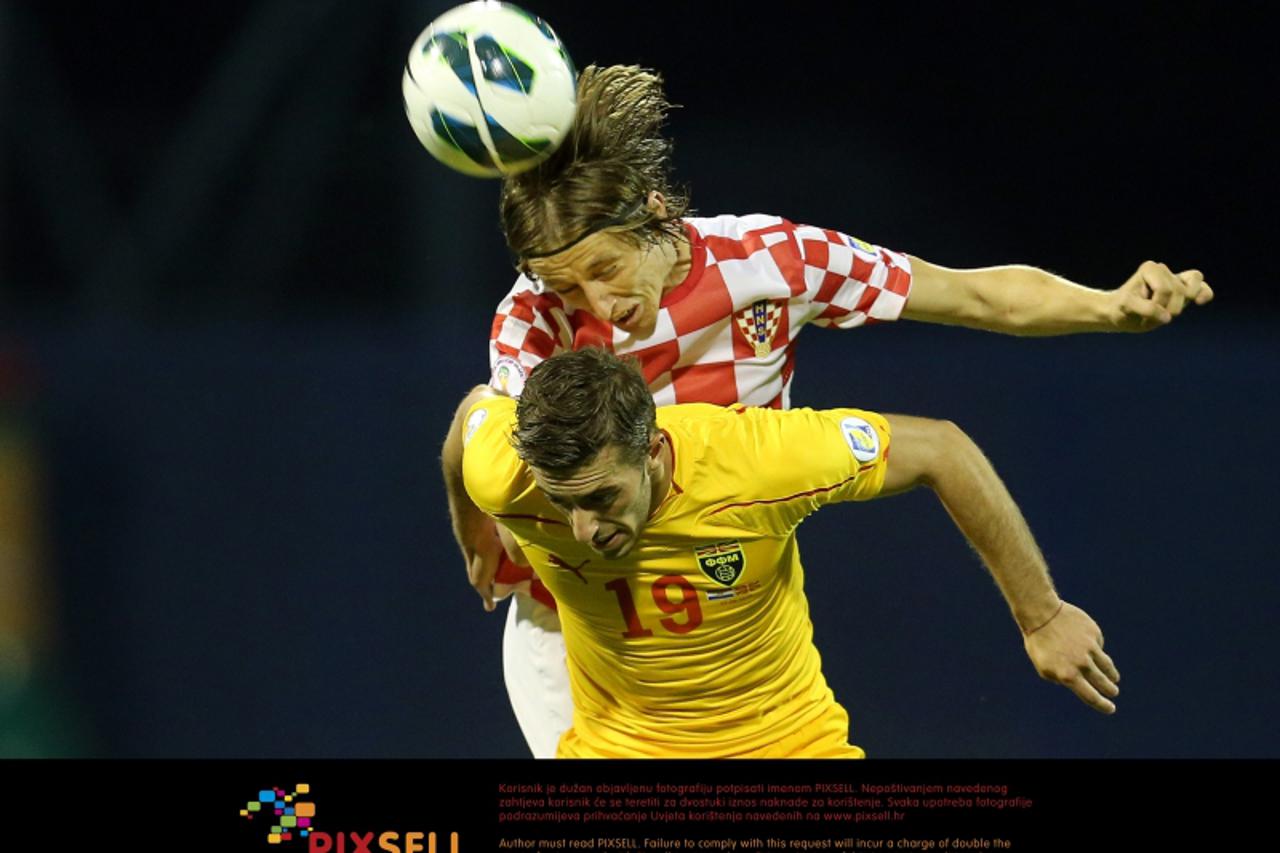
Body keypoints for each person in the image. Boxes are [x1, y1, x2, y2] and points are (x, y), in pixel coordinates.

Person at [439, 65, 1210, 757]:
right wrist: (479, 531)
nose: (594, 306)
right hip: (580, 628)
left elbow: (977, 294)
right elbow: (481, 431)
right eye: (566, 288)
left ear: (653, 211)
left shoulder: (772, 263)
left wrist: (1108, 309)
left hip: (732, 602)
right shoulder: (531, 320)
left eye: (604, 270)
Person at [455, 348, 1119, 758]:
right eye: (560, 500)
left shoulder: (757, 461)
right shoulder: (505, 475)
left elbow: (941, 448)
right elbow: (472, 420)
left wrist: (1040, 614)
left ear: (653, 450)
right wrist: (476, 536)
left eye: (601, 497)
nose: (580, 528)